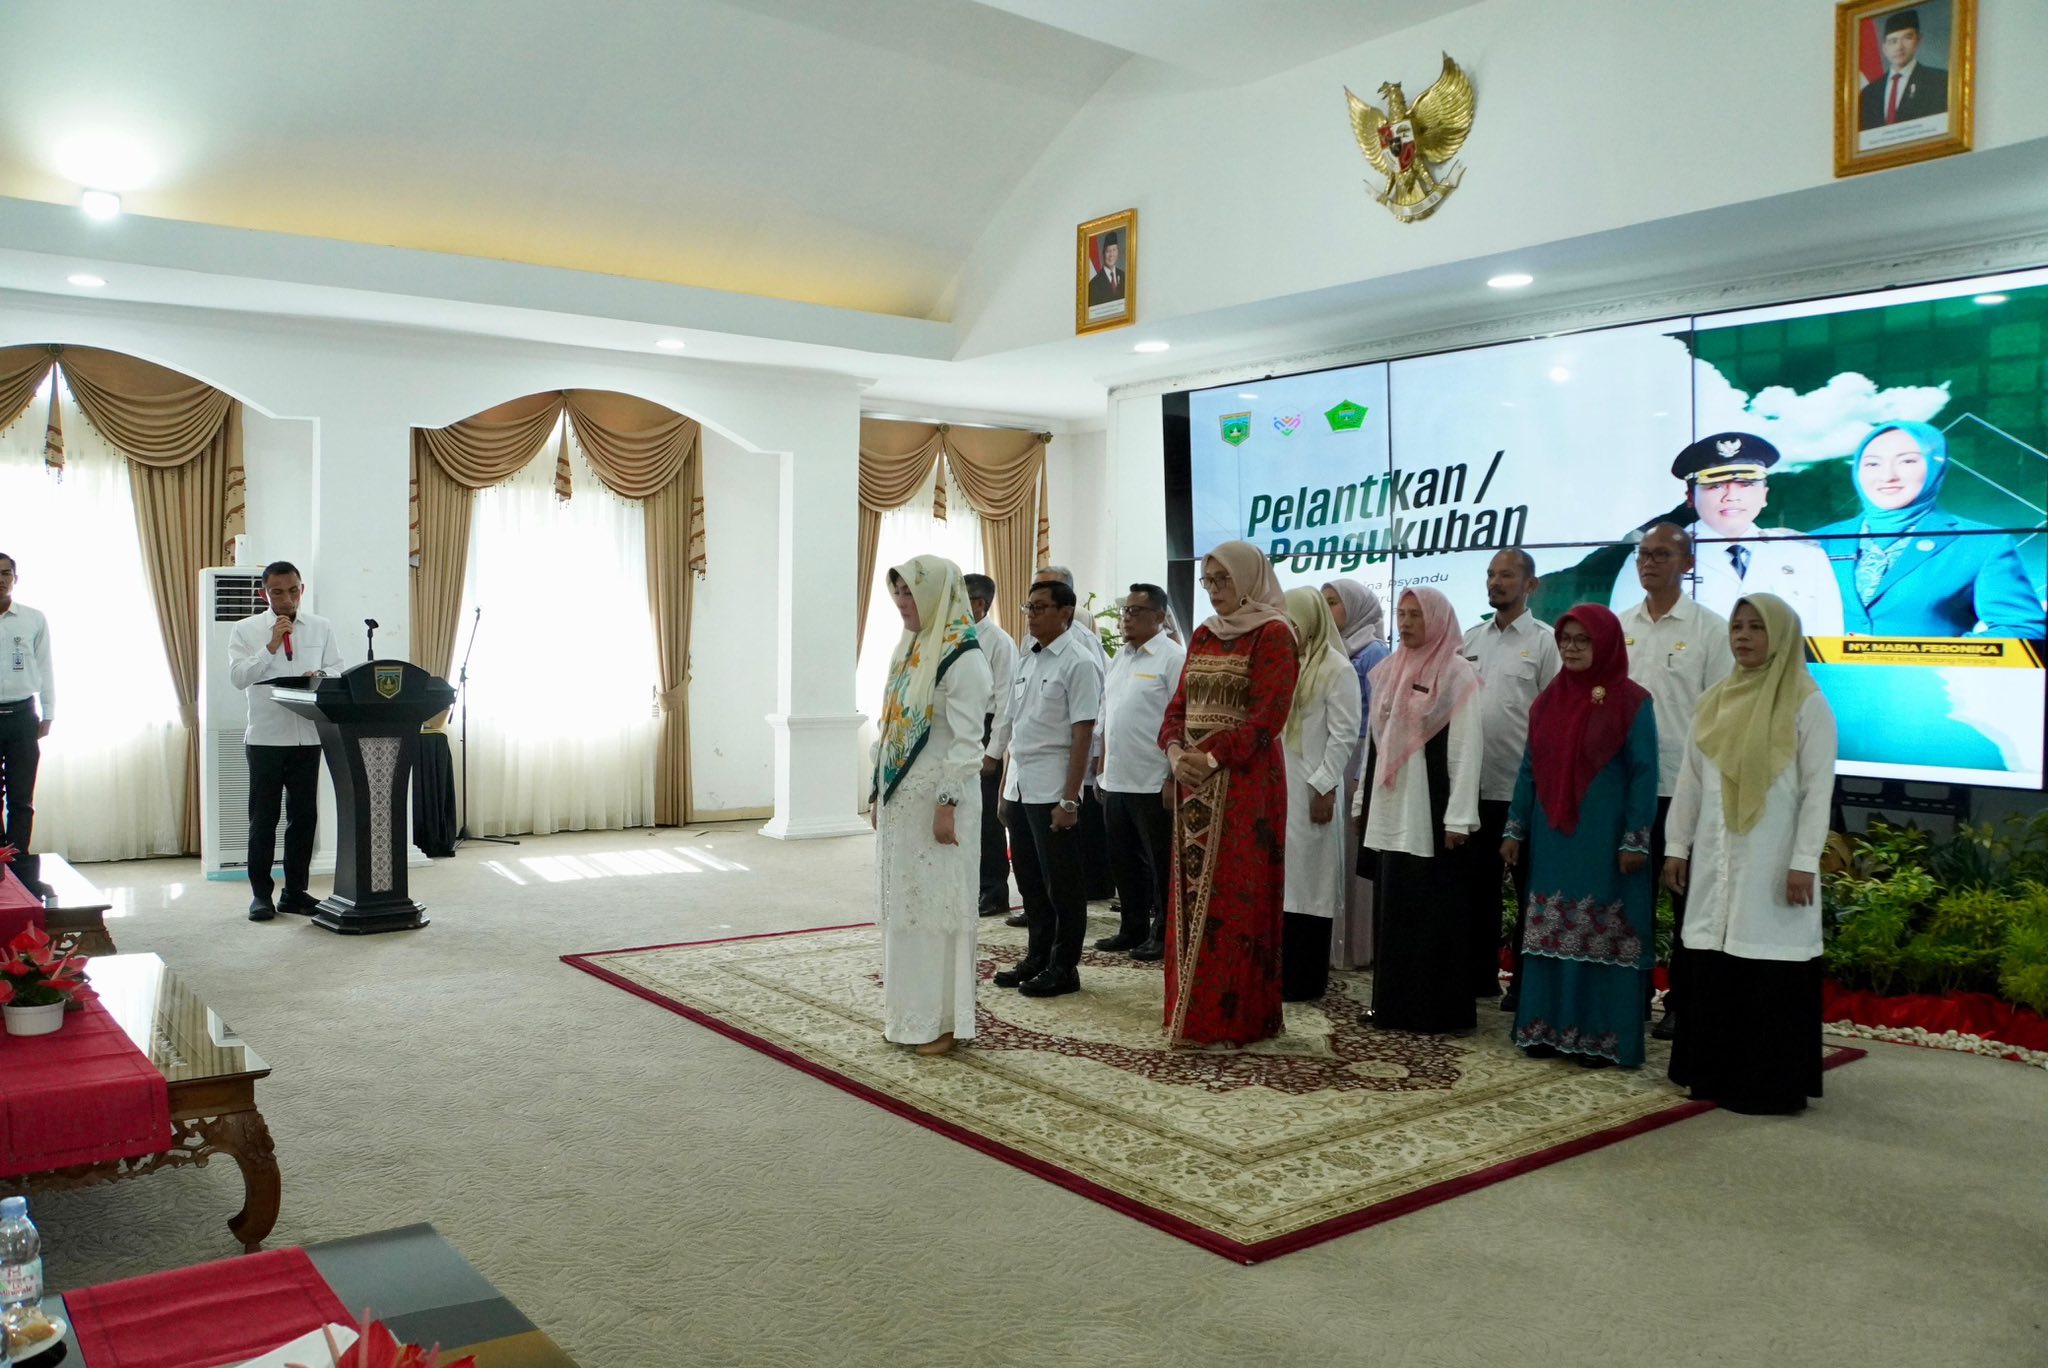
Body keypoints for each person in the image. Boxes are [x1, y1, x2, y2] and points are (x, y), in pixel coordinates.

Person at [1664, 593, 1839, 1115]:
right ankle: (1710, 1074)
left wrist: (1804, 861)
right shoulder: (1713, 700)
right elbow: (1690, 782)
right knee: (1714, 957)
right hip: (1716, 856)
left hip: (1773, 860)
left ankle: (1765, 1086)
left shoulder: (1806, 702)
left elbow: (1817, 791)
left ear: (1781, 635)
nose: (1742, 636)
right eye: (1737, 626)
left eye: (1757, 627)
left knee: (1765, 963)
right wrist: (1677, 845)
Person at [1501, 605, 1659, 1069]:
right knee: (1548, 931)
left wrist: (1635, 839)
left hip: (1604, 840)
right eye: (1565, 639)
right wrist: (1515, 827)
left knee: (1600, 933)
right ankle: (1544, 1029)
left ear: (1604, 644)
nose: (1570, 648)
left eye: (1582, 640)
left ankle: (1598, 1038)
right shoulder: (1548, 701)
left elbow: (1644, 773)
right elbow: (1529, 768)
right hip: (1553, 840)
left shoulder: (1633, 702)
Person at [1159, 540, 1297, 1047]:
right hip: (1194, 785)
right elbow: (1177, 707)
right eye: (1208, 581)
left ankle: (1235, 1021)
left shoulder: (1275, 634)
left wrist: (1212, 758)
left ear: (1248, 579)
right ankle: (1190, 1015)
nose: (1214, 590)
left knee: (1236, 902)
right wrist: (1176, 753)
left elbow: (1267, 717)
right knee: (1190, 899)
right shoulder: (1204, 633)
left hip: (1245, 788)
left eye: (1224, 580)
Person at [869, 557, 995, 1057]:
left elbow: (968, 744)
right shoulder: (911, 648)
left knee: (940, 909)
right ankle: (907, 1016)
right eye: (898, 593)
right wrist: (878, 791)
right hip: (905, 801)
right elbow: (891, 726)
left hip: (944, 802)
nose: (903, 603)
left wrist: (946, 804)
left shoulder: (964, 658)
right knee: (907, 906)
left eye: (911, 593)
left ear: (938, 596)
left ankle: (944, 1021)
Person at [1620, 523, 1735, 1041]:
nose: (1649, 562)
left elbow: (1721, 717)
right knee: (1629, 896)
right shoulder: (1622, 627)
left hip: (1684, 790)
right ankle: (1631, 993)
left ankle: (1682, 1002)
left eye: (1661, 554)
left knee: (1686, 898)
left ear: (1687, 563)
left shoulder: (1711, 630)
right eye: (1643, 554)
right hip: (1629, 788)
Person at [1354, 587, 1483, 1035]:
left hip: (1430, 810)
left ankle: (1435, 1012)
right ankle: (1392, 1007)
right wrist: (1362, 800)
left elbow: (1466, 748)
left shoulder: (1456, 672)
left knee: (1433, 910)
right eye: (1401, 614)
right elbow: (1375, 745)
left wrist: (1459, 817)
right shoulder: (1390, 669)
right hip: (1391, 808)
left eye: (1416, 615)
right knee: (1394, 909)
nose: (1406, 623)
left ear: (1438, 620)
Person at [1812, 421, 2044, 638]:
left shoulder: (1980, 543)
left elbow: (2023, 630)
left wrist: (1918, 654)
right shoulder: (1818, 541)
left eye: (1907, 461)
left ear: (1936, 467)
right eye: (1873, 464)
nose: (1888, 476)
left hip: (1933, 671)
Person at [1610, 433, 1843, 635]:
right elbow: (1627, 646)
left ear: (1764, 494)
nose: (1731, 496)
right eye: (1715, 486)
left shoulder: (1804, 556)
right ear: (1690, 497)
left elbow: (1828, 642)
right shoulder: (1650, 560)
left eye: (1745, 484)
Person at [1463, 549, 1560, 1007]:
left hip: (1524, 793)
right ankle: (1478, 977)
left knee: (1528, 892)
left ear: (1530, 585)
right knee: (1475, 890)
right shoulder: (1470, 640)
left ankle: (1524, 985)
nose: (1495, 582)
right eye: (1491, 574)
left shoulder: (1546, 643)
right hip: (1474, 788)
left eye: (1506, 575)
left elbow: (1556, 719)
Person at [996, 578, 1102, 999]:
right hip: (1022, 786)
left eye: (1040, 607)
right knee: (1029, 880)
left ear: (1066, 613)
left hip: (1054, 788)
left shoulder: (1079, 662)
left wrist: (1070, 799)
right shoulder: (1027, 658)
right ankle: (1037, 956)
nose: (1031, 615)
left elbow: (1083, 734)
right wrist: (1005, 788)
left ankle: (1064, 967)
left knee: (1062, 884)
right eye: (1029, 607)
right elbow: (1014, 724)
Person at [226, 560, 343, 921]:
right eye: (277, 592)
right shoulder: (245, 630)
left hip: (308, 736)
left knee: (304, 818)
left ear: (301, 589)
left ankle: (295, 892)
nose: (287, 599)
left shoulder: (321, 627)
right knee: (264, 819)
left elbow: (337, 668)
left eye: (293, 591)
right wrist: (271, 645)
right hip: (266, 738)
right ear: (265, 594)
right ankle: (261, 895)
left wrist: (320, 674)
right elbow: (238, 677)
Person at [1280, 587, 1361, 1001]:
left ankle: (1306, 979)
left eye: (1294, 623)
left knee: (1310, 886)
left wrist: (1325, 785)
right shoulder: (1283, 664)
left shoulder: (1335, 668)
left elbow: (1344, 735)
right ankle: (1278, 974)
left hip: (1314, 790)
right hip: (1280, 789)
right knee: (1283, 883)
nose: (1288, 631)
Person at [1096, 583, 1185, 959]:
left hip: (1152, 780)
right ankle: (1131, 928)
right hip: (1116, 777)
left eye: (1135, 612)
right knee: (1123, 859)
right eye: (1124, 612)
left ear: (1159, 617)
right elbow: (1108, 714)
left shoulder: (1173, 657)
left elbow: (1181, 721)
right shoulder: (1120, 658)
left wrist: (1172, 777)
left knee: (1160, 862)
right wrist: (1101, 766)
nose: (1125, 619)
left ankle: (1163, 934)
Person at [1323, 579, 1390, 971]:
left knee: (1355, 853)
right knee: (1337, 855)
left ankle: (1359, 945)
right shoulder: (1331, 649)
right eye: (1324, 602)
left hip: (1359, 759)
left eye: (1334, 602)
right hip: (1336, 756)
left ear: (1356, 607)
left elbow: (1379, 722)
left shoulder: (1373, 652)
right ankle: (1337, 942)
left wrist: (1362, 774)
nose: (1327, 609)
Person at [964, 573, 1017, 917]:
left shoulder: (998, 643)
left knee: (986, 818)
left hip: (985, 732)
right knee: (962, 813)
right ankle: (969, 885)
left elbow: (1005, 701)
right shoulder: (954, 637)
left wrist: (993, 752)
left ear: (979, 604)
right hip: (960, 730)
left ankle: (994, 891)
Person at [0, 553, 54, 894]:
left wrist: (49, 712)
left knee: (21, 799)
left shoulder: (33, 619)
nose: (0, 579)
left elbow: (46, 667)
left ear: (15, 578)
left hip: (22, 715)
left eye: (6, 573)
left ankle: (19, 873)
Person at [1857, 8, 1948, 131]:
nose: (1899, 47)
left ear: (1918, 40)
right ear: (1884, 48)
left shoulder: (1939, 81)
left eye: (1907, 38)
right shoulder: (1869, 92)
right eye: (1892, 41)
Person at [1087, 233, 1127, 307]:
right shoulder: (1094, 283)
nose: (1111, 255)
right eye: (1108, 251)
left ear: (1118, 252)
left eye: (1114, 250)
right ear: (1103, 254)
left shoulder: (1125, 277)